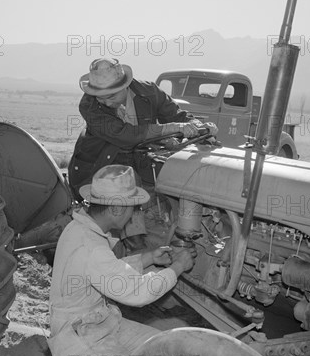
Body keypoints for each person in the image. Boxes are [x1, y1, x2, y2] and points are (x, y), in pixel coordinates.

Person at [48, 164, 196, 356]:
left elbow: (107, 271)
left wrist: (148, 259)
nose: (134, 215)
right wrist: (178, 267)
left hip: (98, 322)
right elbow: (139, 293)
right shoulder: (90, 246)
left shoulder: (80, 229)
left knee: (166, 348)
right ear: (116, 209)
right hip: (77, 336)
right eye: (133, 209)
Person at [67, 58, 217, 250]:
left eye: (111, 95)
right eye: (100, 96)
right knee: (126, 218)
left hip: (139, 160)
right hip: (102, 166)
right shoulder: (89, 105)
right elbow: (125, 135)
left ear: (126, 85)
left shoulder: (150, 92)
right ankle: (136, 253)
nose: (105, 101)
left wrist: (200, 128)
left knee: (174, 189)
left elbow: (177, 115)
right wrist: (172, 128)